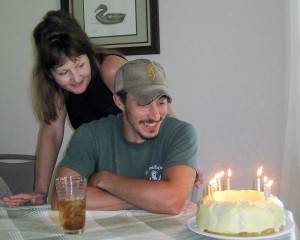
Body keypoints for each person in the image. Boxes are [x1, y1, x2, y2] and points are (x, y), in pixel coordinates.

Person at [2, 10, 178, 208]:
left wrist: (182, 163)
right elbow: (51, 134)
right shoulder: (56, 90)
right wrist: (40, 192)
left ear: (89, 54)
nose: (75, 78)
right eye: (63, 72)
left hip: (139, 166)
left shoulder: (110, 68)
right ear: (50, 75)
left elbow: (157, 109)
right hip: (100, 173)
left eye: (79, 65)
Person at [51, 59, 199, 215]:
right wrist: (150, 200)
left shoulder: (181, 133)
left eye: (161, 103)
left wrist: (104, 180)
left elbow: (171, 201)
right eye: (143, 104)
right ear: (119, 102)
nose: (155, 115)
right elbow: (61, 199)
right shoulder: (90, 135)